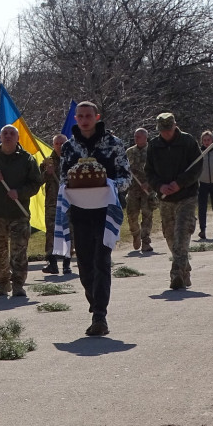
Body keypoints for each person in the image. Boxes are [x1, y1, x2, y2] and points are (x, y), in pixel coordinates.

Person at [60, 101, 131, 336]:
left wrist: (106, 184)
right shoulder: (69, 147)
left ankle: (100, 314)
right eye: (80, 116)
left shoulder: (113, 144)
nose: (84, 119)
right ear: (76, 119)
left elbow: (125, 178)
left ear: (97, 117)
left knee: (102, 261)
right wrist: (69, 188)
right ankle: (95, 302)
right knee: (85, 264)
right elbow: (63, 178)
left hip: (106, 211)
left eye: (88, 115)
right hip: (80, 212)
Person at [0, 125, 44, 297]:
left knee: (19, 251)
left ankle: (18, 284)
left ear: (18, 138)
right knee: (0, 252)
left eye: (12, 134)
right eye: (5, 133)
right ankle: (4, 283)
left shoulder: (27, 159)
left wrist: (19, 193)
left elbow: (36, 183)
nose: (8, 136)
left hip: (19, 213)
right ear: (0, 137)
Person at [144, 112, 203, 289]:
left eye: (168, 129)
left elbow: (197, 167)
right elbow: (149, 171)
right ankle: (184, 268)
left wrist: (180, 183)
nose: (166, 133)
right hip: (165, 198)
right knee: (170, 236)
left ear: (175, 125)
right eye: (163, 130)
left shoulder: (188, 141)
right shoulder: (154, 145)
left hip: (186, 196)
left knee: (181, 235)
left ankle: (176, 274)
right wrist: (159, 186)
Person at [42, 133, 71, 274]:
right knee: (51, 232)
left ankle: (67, 263)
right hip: (52, 203)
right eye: (57, 144)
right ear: (53, 145)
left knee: (68, 231)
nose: (59, 146)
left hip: (69, 201)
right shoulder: (47, 161)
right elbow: (37, 181)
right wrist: (47, 173)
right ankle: (51, 262)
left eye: (62, 143)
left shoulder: (72, 159)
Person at [125, 128, 158, 252]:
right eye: (135, 136)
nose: (136, 138)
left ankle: (146, 241)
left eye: (139, 136)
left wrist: (148, 183)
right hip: (133, 189)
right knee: (131, 216)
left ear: (145, 138)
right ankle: (136, 234)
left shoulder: (152, 152)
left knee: (147, 216)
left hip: (147, 191)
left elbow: (158, 170)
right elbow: (124, 168)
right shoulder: (129, 152)